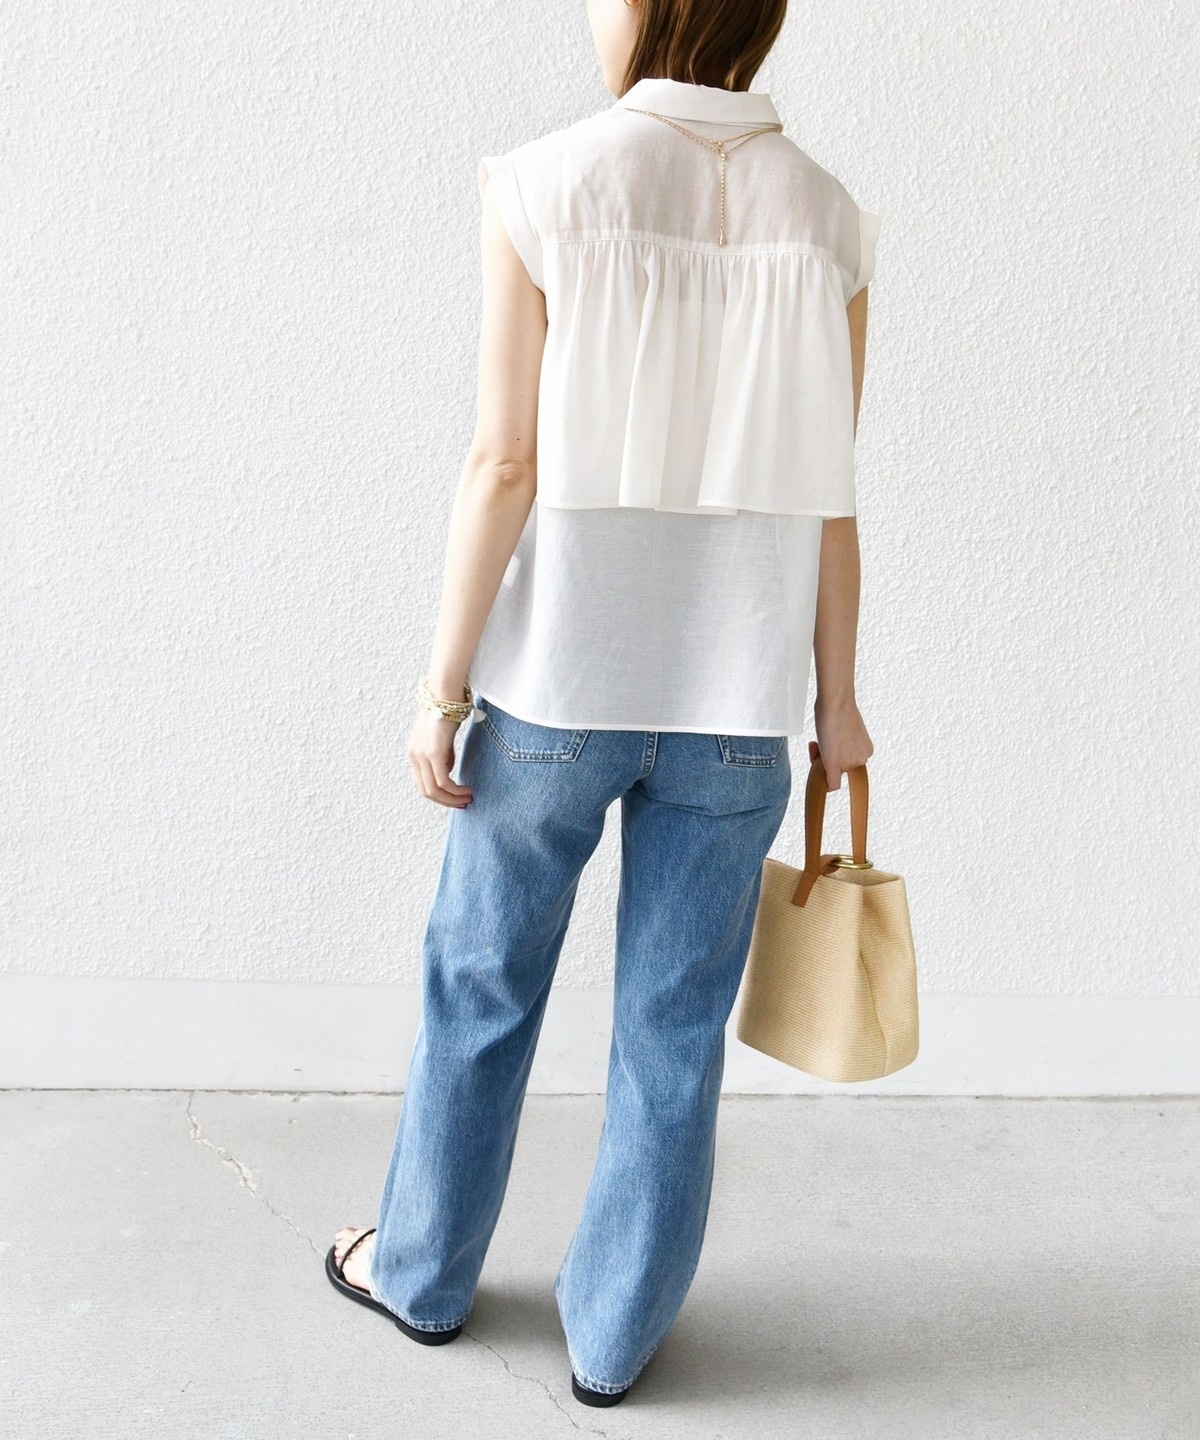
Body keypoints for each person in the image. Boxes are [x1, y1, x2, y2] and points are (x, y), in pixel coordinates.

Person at [325, 0, 879, 1408]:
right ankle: (614, 1340)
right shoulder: (829, 221)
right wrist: (840, 703)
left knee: (480, 984)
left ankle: (422, 1274)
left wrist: (440, 687)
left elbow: (501, 463)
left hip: (554, 690)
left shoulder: (544, 184)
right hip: (739, 707)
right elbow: (830, 501)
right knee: (672, 1034)